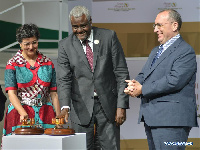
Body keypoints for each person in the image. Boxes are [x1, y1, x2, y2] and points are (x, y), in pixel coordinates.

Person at [57, 5, 129, 150]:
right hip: (80, 106)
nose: (79, 30)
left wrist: (121, 105)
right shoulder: (65, 45)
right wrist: (65, 106)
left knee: (110, 147)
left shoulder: (109, 37)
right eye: (75, 27)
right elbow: (64, 79)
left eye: (83, 25)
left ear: (90, 21)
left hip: (108, 106)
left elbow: (121, 73)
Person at [124, 9, 198, 150]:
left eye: (159, 25)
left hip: (172, 120)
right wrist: (134, 84)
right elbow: (144, 74)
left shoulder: (185, 51)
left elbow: (174, 80)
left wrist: (142, 89)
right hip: (153, 117)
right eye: (155, 26)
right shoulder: (156, 51)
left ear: (174, 25)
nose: (155, 30)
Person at [3, 23, 61, 136]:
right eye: (27, 44)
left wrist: (58, 117)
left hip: (46, 113)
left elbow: (54, 93)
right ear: (20, 44)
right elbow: (12, 94)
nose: (31, 47)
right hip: (20, 113)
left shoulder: (48, 63)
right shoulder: (12, 63)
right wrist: (22, 113)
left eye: (34, 42)